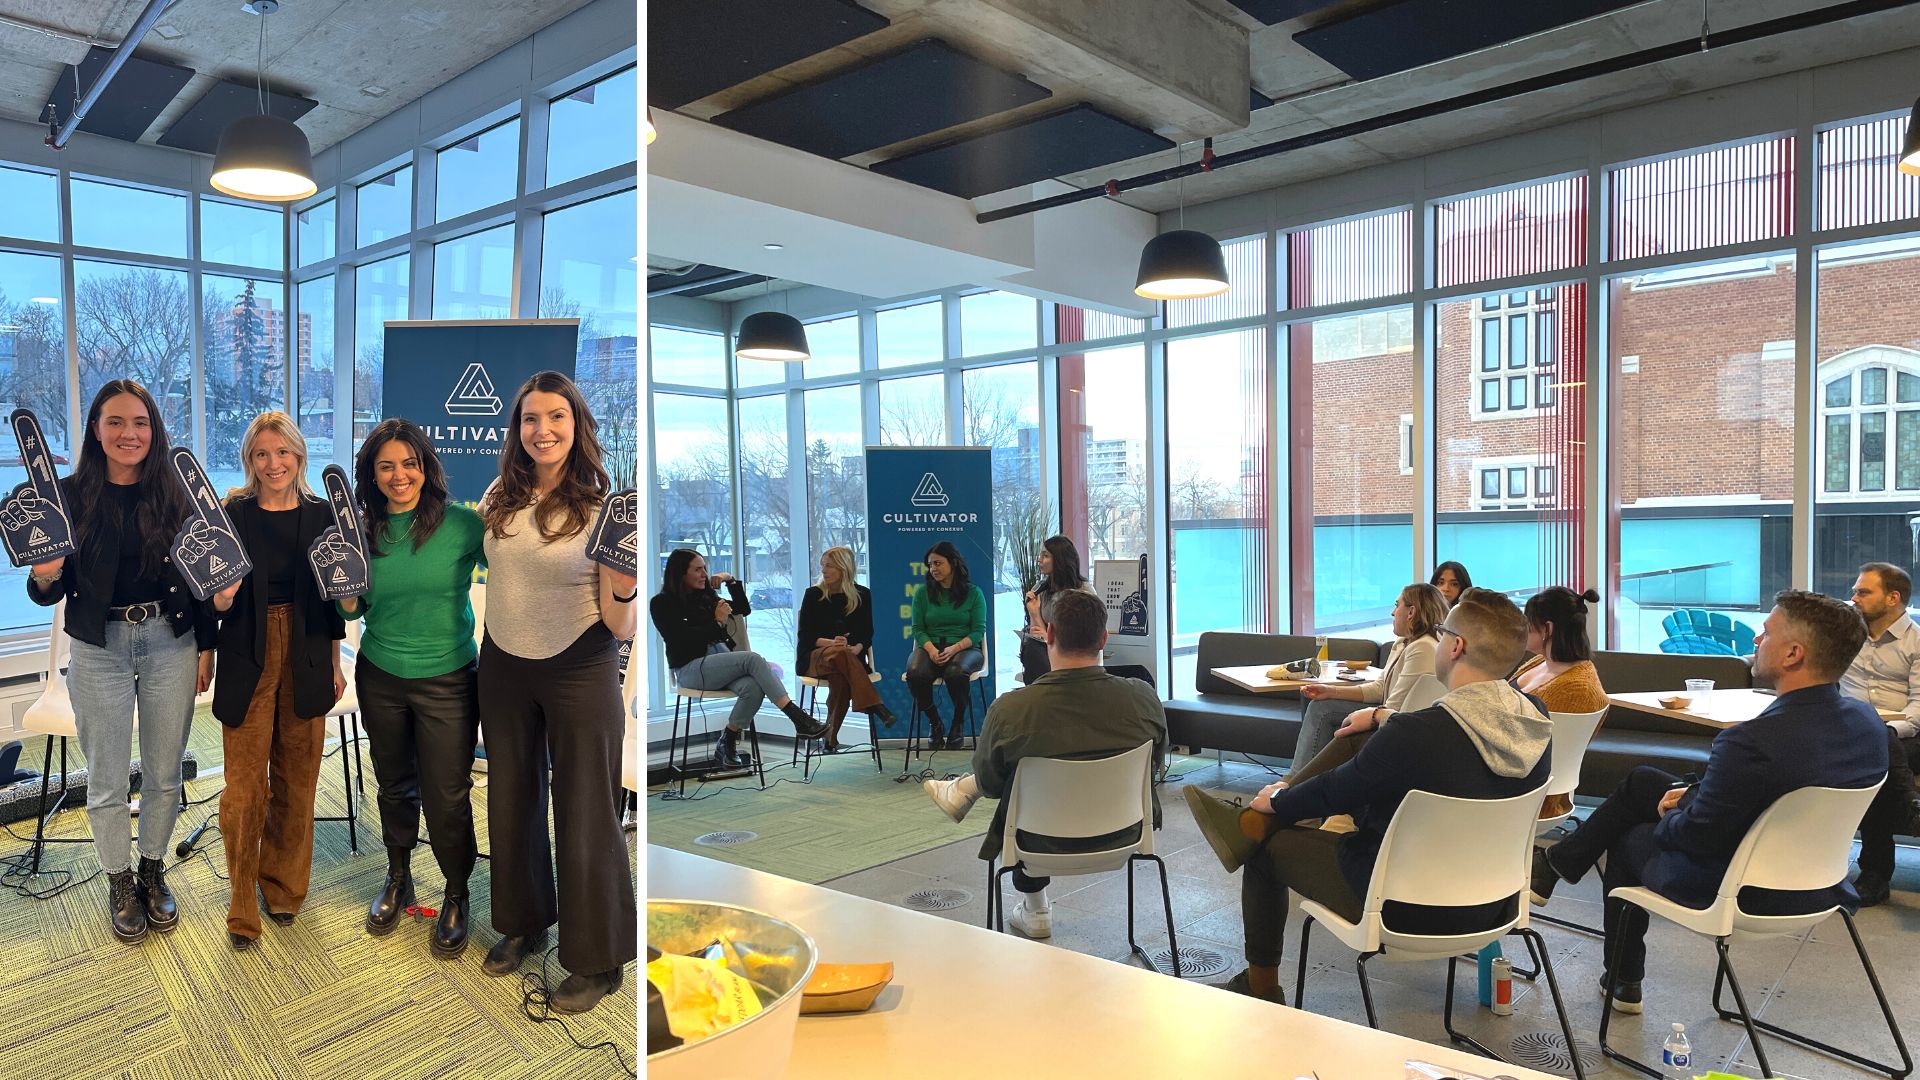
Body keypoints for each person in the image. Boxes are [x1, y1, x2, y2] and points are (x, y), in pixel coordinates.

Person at [1184, 588, 1551, 1005]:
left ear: (1456, 646)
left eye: (1444, 631)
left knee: (1265, 852)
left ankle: (1260, 985)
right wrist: (1381, 717)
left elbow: (1339, 790)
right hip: (1496, 904)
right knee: (1362, 747)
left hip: (1405, 905)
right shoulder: (1535, 720)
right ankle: (1256, 821)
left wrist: (1280, 800)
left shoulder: (1418, 736)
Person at [1529, 590, 1886, 1014]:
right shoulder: (1868, 724)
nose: (1756, 639)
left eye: (1766, 632)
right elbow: (1779, 791)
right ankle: (1555, 866)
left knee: (1626, 837)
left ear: (1793, 653)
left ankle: (1624, 978)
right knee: (1644, 782)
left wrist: (1677, 812)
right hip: (1822, 884)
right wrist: (1696, 796)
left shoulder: (1749, 741)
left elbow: (1696, 839)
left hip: (1746, 889)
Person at [26, 380, 217, 944]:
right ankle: (119, 880)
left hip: (169, 640)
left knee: (164, 769)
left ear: (153, 431)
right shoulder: (67, 497)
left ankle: (153, 871)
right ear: (95, 428)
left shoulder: (175, 494)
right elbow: (45, 591)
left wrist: (207, 646)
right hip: (98, 646)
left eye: (140, 423)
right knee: (107, 776)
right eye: (116, 422)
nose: (128, 433)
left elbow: (201, 578)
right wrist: (44, 572)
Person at [478, 372, 638, 1013]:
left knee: (585, 811)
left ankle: (598, 959)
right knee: (511, 799)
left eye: (556, 418)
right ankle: (524, 922)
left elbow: (622, 624)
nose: (542, 430)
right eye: (529, 419)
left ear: (577, 427)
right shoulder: (499, 494)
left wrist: (624, 582)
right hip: (503, 662)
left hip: (578, 666)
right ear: (516, 430)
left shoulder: (604, 508)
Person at [922, 589, 1166, 938]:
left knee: (1010, 773)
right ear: (1103, 638)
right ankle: (960, 791)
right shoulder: (1143, 698)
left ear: (1048, 634)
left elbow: (991, 784)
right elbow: (1156, 764)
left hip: (1037, 844)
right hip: (1126, 836)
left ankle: (1034, 906)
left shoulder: (1011, 710)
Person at [338, 419, 485, 955]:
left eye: (409, 464)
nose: (399, 476)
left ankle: (455, 891)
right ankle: (398, 877)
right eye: (386, 466)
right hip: (380, 673)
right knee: (394, 784)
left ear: (426, 468)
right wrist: (348, 596)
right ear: (371, 474)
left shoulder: (465, 527)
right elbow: (350, 606)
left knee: (448, 794)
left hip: (448, 678)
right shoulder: (358, 531)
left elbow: (519, 573)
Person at [208, 413, 346, 950]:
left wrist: (335, 663)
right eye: (262, 454)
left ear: (299, 456)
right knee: (245, 787)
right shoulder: (230, 513)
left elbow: (334, 598)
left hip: (308, 652)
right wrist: (215, 613)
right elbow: (210, 592)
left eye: (282, 452)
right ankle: (242, 897)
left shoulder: (322, 515)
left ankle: (284, 887)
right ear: (250, 460)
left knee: (297, 777)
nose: (273, 464)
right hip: (248, 650)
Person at [651, 549, 827, 767]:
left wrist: (731, 581)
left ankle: (728, 741)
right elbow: (681, 640)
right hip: (691, 669)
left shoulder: (705, 598)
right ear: (680, 573)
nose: (704, 574)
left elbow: (743, 609)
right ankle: (797, 718)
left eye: (705, 568)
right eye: (697, 569)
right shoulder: (661, 603)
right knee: (752, 659)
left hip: (719, 662)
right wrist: (716, 622)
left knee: (753, 687)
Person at [1289, 582, 1446, 781]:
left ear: (1411, 612)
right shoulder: (1403, 643)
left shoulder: (1423, 648)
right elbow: (1380, 688)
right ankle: (1302, 781)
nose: (1392, 612)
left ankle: (1294, 781)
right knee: (1320, 703)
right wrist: (1330, 691)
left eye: (1397, 605)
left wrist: (1366, 715)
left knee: (1323, 710)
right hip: (1387, 712)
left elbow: (1395, 706)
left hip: (1399, 722)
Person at [1839, 562, 1920, 907]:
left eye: (1862, 591)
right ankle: (1911, 807)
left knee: (1878, 745)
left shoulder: (1916, 642)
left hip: (1906, 737)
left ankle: (1874, 873)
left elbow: (1918, 710)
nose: (1853, 597)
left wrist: (1882, 730)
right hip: (1847, 734)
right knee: (1872, 745)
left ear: (1893, 598)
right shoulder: (1844, 634)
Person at [1511, 586, 1610, 819]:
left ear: (1548, 628)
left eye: (1529, 622)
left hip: (1528, 792)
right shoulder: (1540, 662)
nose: (1523, 628)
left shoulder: (1577, 688)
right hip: (1515, 777)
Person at [794, 545, 896, 751]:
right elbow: (805, 637)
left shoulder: (862, 595)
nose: (824, 570)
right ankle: (874, 704)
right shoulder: (813, 594)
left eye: (829, 566)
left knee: (840, 679)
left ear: (844, 567)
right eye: (823, 566)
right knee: (839, 653)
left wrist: (858, 648)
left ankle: (830, 741)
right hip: (815, 658)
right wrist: (832, 644)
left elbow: (867, 633)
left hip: (847, 660)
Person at [905, 541, 987, 749]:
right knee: (915, 673)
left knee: (956, 673)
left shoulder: (974, 593)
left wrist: (955, 648)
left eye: (938, 563)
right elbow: (918, 629)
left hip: (966, 649)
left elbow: (978, 630)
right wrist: (931, 650)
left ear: (953, 563)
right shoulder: (922, 594)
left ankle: (957, 724)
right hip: (931, 647)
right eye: (930, 565)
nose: (933, 569)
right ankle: (935, 722)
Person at [1018, 535, 1095, 684]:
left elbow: (1087, 634)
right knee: (1032, 646)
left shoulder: (1083, 591)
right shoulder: (1040, 589)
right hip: (1047, 651)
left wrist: (1049, 639)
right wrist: (1034, 613)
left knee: (1034, 652)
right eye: (1040, 555)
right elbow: (1039, 632)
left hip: (1074, 652)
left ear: (1060, 560)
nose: (1039, 560)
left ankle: (1043, 691)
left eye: (1045, 555)